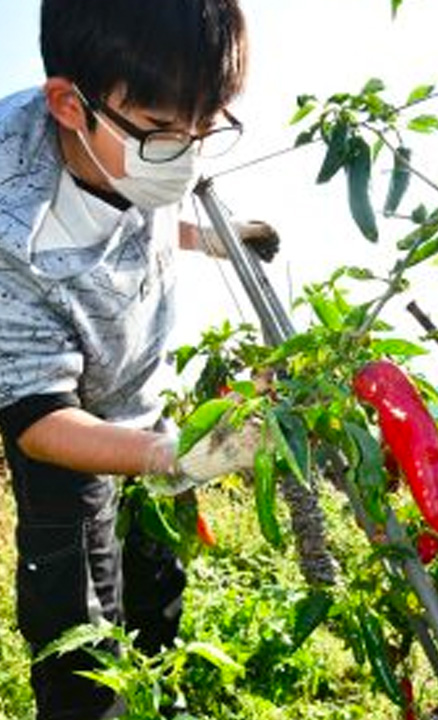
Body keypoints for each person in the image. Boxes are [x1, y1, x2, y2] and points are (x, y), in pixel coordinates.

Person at [0, 2, 273, 717]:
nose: (182, 155)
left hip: (139, 401)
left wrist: (212, 238)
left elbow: (127, 209)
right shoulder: (10, 226)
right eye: (160, 133)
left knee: (157, 599)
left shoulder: (120, 133)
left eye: (204, 128)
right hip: (66, 433)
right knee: (81, 643)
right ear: (68, 103)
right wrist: (173, 456)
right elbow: (36, 415)